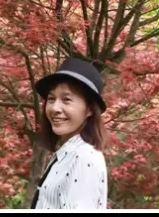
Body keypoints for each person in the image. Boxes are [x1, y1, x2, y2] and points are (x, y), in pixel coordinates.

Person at [31, 58, 109, 210]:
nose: (55, 108)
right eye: (51, 99)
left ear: (90, 110)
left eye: (66, 100)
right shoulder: (67, 154)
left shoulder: (84, 158)